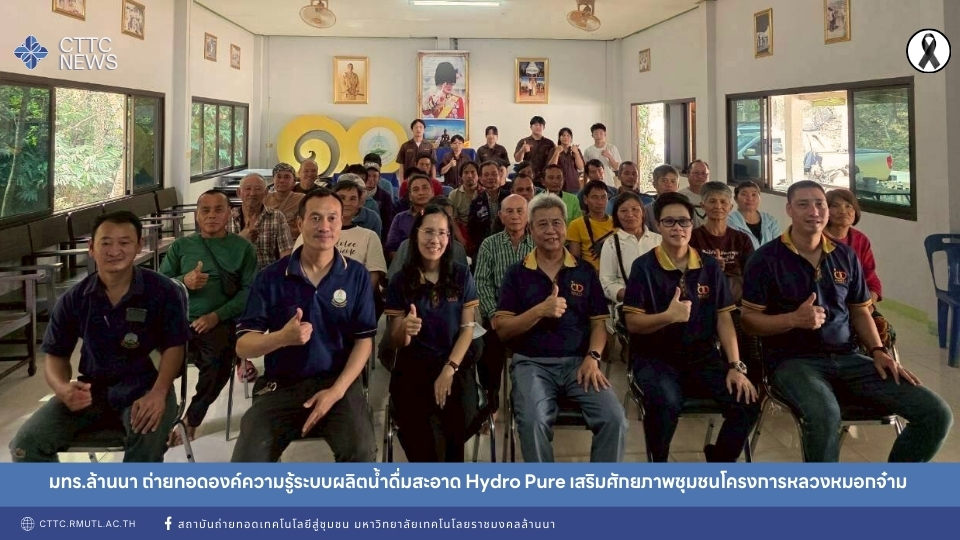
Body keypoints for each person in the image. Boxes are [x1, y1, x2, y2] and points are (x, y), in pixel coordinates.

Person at [741, 181, 953, 462]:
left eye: (820, 204)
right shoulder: (765, 259)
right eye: (803, 204)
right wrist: (792, 319)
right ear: (789, 209)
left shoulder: (845, 255)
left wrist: (878, 351)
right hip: (793, 362)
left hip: (848, 357)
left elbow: (860, 311)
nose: (814, 211)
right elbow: (749, 321)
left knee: (936, 413)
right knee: (824, 414)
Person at [10, 211, 188, 462]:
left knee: (146, 442)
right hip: (92, 392)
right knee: (26, 444)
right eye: (106, 243)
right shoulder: (75, 299)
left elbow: (175, 347)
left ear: (139, 245)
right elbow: (55, 355)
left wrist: (159, 393)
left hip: (146, 388)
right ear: (91, 248)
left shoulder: (163, 291)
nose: (115, 251)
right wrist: (63, 388)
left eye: (124, 242)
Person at [231, 189, 378, 462]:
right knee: (248, 460)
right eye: (315, 218)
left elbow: (364, 341)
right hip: (281, 385)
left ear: (341, 223)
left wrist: (336, 392)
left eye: (332, 218)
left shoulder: (356, 275)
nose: (324, 226)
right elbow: (243, 345)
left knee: (361, 453)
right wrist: (281, 338)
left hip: (338, 384)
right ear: (299, 224)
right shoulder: (271, 277)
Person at [624, 192, 759, 462]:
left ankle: (720, 460)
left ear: (692, 223)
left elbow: (724, 318)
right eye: (669, 222)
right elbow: (633, 323)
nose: (678, 228)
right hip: (655, 357)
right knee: (666, 403)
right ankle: (659, 464)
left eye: (684, 221)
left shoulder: (709, 266)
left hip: (702, 357)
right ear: (658, 225)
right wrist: (667, 316)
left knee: (747, 401)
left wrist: (735, 365)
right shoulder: (644, 267)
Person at [494, 193, 628, 462]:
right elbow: (503, 329)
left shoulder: (584, 271)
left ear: (565, 227)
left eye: (556, 223)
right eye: (542, 224)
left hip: (579, 363)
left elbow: (599, 324)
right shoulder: (516, 273)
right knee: (533, 422)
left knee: (615, 419)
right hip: (531, 364)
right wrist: (540, 311)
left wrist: (593, 357)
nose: (550, 230)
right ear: (530, 229)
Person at [159, 190, 258, 444]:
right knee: (148, 363)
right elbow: (160, 285)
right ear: (196, 215)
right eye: (205, 210)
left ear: (229, 214)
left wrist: (216, 316)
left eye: (218, 210)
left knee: (219, 363)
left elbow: (249, 292)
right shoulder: (181, 246)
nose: (211, 215)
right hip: (179, 322)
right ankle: (162, 414)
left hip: (219, 322)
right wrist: (184, 281)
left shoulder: (243, 248)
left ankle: (192, 418)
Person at [385, 205, 480, 461]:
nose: (434, 240)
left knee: (456, 430)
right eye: (428, 231)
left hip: (453, 364)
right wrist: (404, 329)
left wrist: (449, 369)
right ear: (416, 234)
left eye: (441, 233)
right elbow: (395, 340)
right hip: (414, 368)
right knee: (423, 441)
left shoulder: (461, 274)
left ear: (449, 238)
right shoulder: (400, 280)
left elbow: (467, 329)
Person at [474, 194, 535, 415]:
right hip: (499, 315)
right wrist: (492, 314)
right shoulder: (489, 245)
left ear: (528, 215)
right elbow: (482, 283)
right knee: (487, 345)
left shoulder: (538, 244)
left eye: (520, 211)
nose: (515, 216)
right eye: (509, 211)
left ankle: (532, 399)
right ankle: (491, 405)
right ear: (500, 216)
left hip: (532, 315)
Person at [824, 188, 892, 349]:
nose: (843, 211)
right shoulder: (816, 239)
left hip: (859, 304)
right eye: (835, 206)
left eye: (849, 206)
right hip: (827, 308)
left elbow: (871, 280)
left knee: (885, 331)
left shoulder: (860, 240)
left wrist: (867, 306)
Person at [599, 192, 660, 332]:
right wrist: (629, 295)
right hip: (629, 308)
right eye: (623, 211)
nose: (630, 214)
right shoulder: (611, 243)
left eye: (635, 209)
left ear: (643, 212)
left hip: (660, 305)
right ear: (616, 215)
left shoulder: (659, 241)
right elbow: (606, 281)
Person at [689, 182, 754, 303]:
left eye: (723, 202)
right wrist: (711, 267)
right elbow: (687, 273)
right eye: (712, 201)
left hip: (737, 299)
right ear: (702, 205)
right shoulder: (692, 238)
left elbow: (751, 273)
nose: (718, 206)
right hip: (703, 298)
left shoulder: (742, 239)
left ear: (731, 207)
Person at [229, 173, 293, 271]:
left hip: (268, 275)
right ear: (239, 192)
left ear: (266, 192)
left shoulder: (277, 217)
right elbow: (220, 256)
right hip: (235, 275)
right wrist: (240, 241)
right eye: (248, 189)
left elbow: (286, 254)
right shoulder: (228, 217)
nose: (252, 193)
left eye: (258, 189)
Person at [566, 180, 614, 272]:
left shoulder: (617, 222)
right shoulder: (576, 225)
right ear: (585, 199)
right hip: (591, 274)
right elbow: (575, 260)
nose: (600, 202)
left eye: (603, 197)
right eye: (595, 197)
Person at [385, 173, 434, 260]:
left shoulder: (442, 217)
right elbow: (391, 249)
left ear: (432, 192)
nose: (421, 193)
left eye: (425, 188)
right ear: (410, 196)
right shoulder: (400, 218)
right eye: (416, 190)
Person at [727, 180, 781, 249]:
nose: (750, 198)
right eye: (744, 194)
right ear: (735, 198)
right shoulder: (729, 222)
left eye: (754, 194)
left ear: (759, 198)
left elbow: (778, 248)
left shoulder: (771, 221)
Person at [264, 162, 305, 241]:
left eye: (287, 177)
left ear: (294, 182)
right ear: (273, 180)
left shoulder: (302, 199)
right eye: (278, 177)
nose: (282, 181)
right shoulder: (265, 199)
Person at [514, 116, 556, 181]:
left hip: (544, 177)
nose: (538, 127)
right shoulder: (524, 141)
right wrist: (522, 150)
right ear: (531, 127)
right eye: (535, 125)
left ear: (544, 127)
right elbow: (517, 159)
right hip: (528, 176)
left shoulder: (550, 143)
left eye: (540, 125)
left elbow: (553, 162)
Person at [396, 119, 437, 185]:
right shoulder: (405, 146)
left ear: (424, 129)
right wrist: (402, 182)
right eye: (416, 127)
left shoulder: (429, 146)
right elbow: (401, 165)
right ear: (412, 129)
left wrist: (434, 182)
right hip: (409, 179)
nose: (418, 129)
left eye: (421, 127)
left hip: (426, 180)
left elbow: (433, 165)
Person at [582, 123, 622, 188]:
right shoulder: (588, 150)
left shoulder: (612, 148)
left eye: (601, 133)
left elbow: (616, 167)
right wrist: (585, 185)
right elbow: (586, 170)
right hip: (594, 183)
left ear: (605, 134)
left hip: (609, 183)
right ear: (592, 135)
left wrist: (609, 156)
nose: (599, 135)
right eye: (596, 133)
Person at [548, 127, 585, 193]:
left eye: (568, 136)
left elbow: (580, 167)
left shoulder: (575, 150)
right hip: (558, 185)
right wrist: (557, 152)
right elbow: (551, 167)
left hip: (573, 184)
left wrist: (576, 153)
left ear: (571, 138)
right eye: (563, 135)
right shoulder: (554, 150)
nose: (565, 137)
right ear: (559, 137)